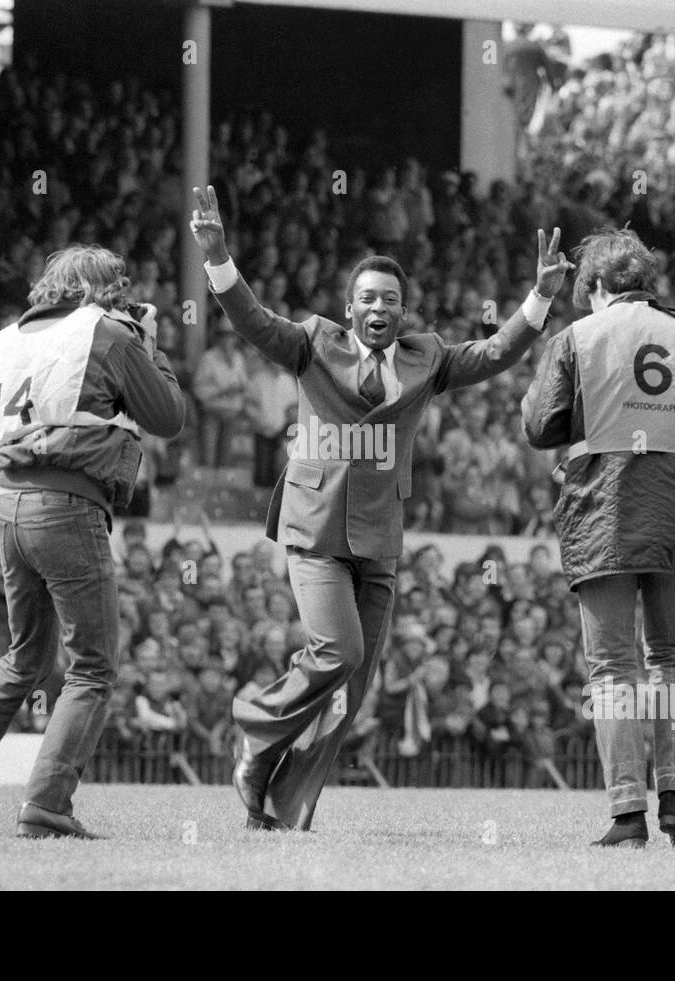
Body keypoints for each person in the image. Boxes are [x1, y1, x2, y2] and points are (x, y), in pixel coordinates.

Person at [190, 184, 571, 830]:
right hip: (315, 525)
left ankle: (281, 803)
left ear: (402, 310)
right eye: (368, 297)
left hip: (381, 537)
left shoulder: (427, 356)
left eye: (389, 299)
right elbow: (253, 320)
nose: (379, 307)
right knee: (335, 651)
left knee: (350, 691)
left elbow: (494, 353)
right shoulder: (314, 342)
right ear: (349, 308)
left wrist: (538, 299)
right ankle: (255, 731)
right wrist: (219, 257)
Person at [0, 244, 184, 838]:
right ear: (101, 291)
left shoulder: (9, 336)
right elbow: (168, 417)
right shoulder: (109, 335)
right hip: (68, 505)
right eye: (118, 287)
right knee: (92, 667)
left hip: (8, 505)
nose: (122, 295)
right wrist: (151, 346)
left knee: (25, 657)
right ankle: (47, 804)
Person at [521, 227, 675, 849]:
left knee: (613, 667)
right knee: (673, 660)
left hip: (604, 510)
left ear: (594, 289)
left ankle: (625, 814)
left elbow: (539, 426)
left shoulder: (578, 337)